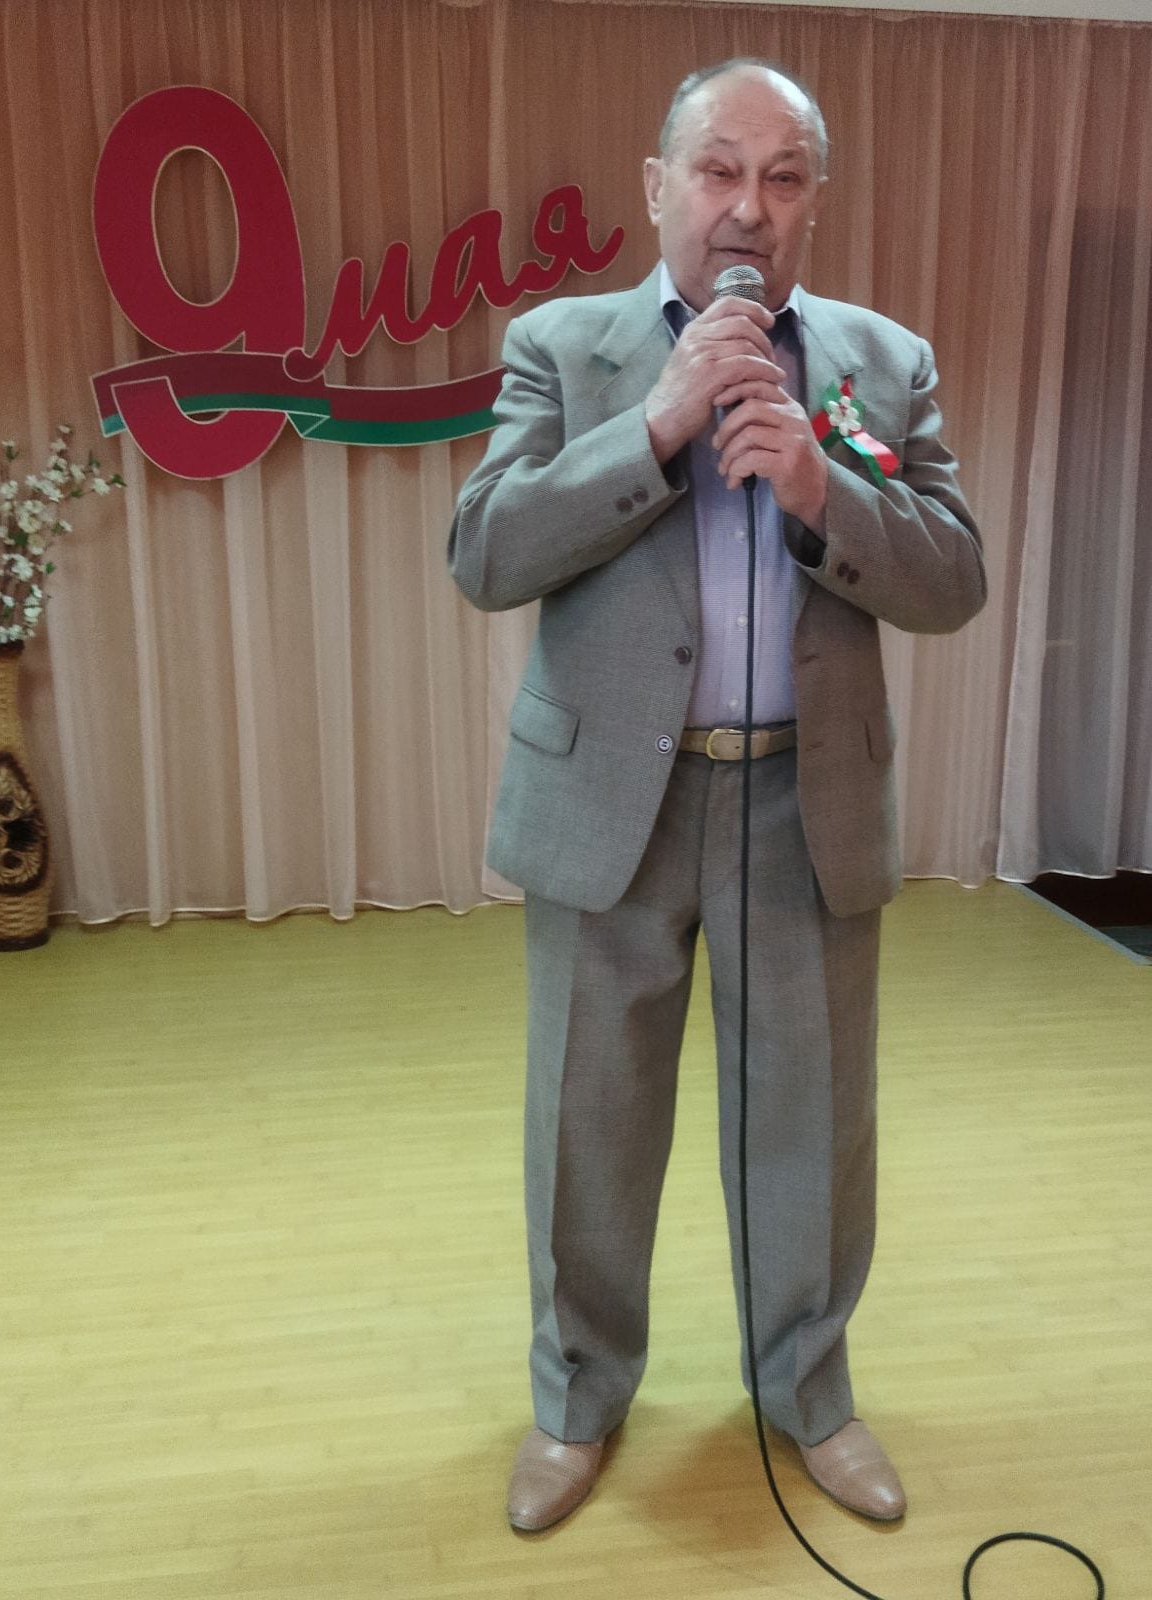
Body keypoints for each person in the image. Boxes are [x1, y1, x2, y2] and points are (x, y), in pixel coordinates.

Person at [448, 59, 985, 1534]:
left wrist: (823, 493)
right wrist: (657, 426)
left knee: (813, 1127)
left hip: (803, 807)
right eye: (718, 171)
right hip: (611, 809)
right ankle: (576, 1403)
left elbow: (953, 579)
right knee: (591, 1126)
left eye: (783, 177)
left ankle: (810, 1398)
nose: (748, 206)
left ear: (814, 200)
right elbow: (485, 551)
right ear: (658, 187)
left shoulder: (883, 362)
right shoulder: (562, 346)